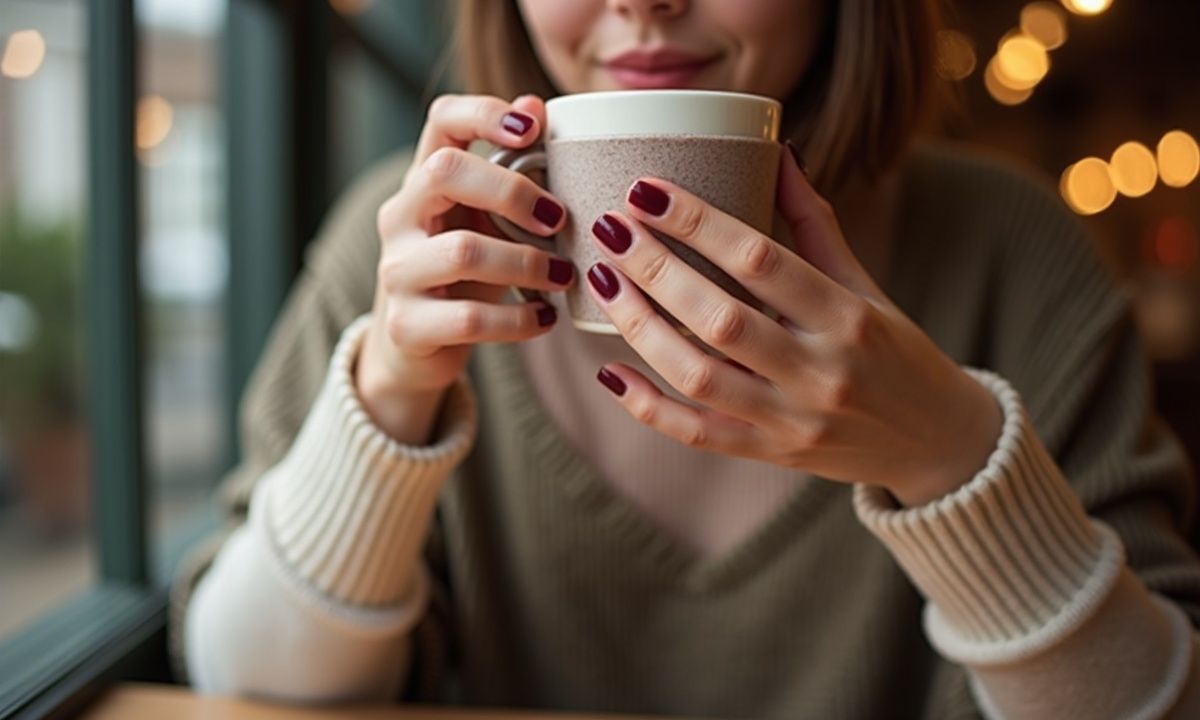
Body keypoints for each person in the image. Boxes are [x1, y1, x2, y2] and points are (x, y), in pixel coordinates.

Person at [173, 0, 1200, 717]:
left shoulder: (1012, 252)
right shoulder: (412, 244)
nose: (644, 1)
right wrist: (391, 391)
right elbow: (241, 682)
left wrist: (952, 463)